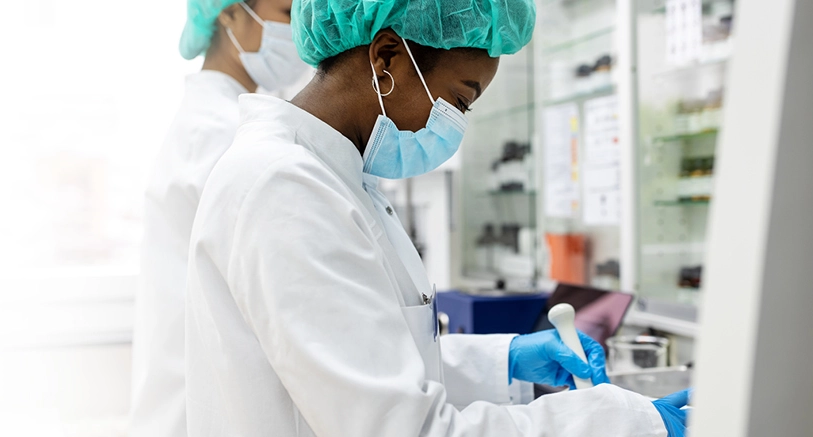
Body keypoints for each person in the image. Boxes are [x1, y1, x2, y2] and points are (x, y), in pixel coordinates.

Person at [182, 0, 690, 435]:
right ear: (386, 58)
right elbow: (405, 427)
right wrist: (625, 420)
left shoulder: (331, 176)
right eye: (459, 102)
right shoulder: (287, 188)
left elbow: (365, 359)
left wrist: (503, 358)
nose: (454, 125)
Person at [129, 1, 311, 436]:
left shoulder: (223, 120)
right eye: (287, 13)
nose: (299, 35)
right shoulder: (218, 132)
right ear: (228, 13)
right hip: (193, 408)